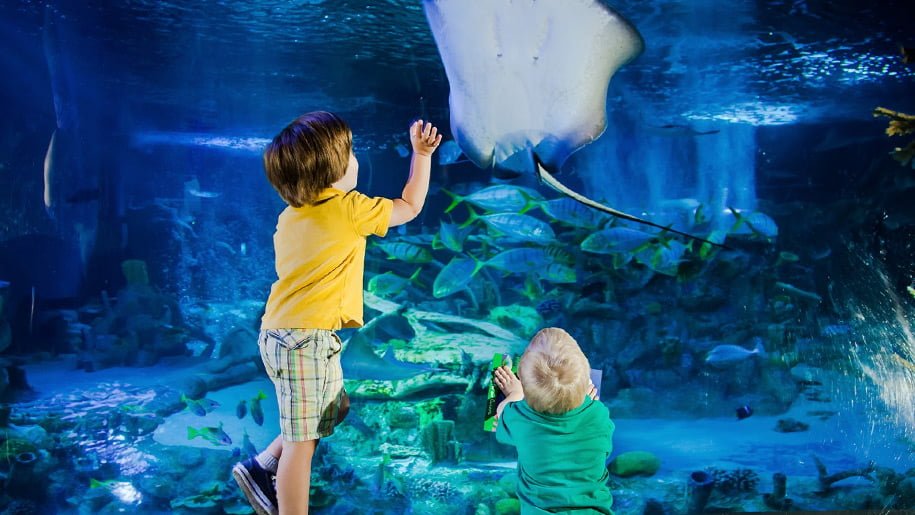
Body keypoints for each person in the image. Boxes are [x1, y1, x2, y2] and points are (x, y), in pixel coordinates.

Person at [232, 111, 442, 515]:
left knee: (334, 408)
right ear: (334, 168)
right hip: (304, 338)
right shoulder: (348, 208)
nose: (356, 159)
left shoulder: (289, 217)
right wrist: (422, 155)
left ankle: (261, 467)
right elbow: (410, 206)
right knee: (302, 443)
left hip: (286, 334)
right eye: (352, 152)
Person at [492, 327, 614, 515]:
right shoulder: (599, 413)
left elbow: (499, 415)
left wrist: (514, 395)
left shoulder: (519, 418)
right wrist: (589, 404)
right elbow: (603, 447)